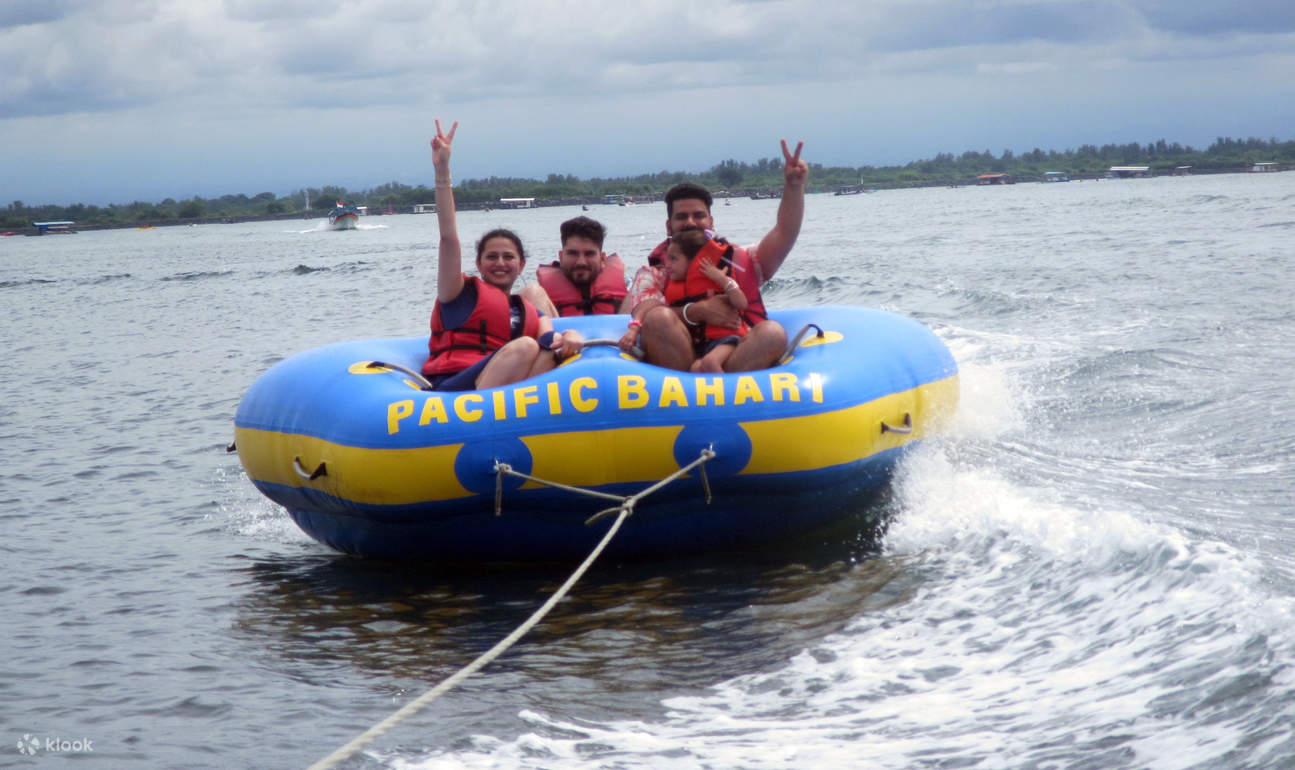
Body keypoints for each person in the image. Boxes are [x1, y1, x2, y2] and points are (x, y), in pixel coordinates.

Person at [420, 120, 582, 390]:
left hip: (504, 388)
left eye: (508, 257)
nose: (500, 263)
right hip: (454, 390)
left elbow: (550, 340)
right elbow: (449, 239)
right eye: (492, 257)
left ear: (521, 265)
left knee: (548, 352)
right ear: (479, 264)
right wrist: (442, 170)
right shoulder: (458, 294)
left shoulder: (530, 313)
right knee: (526, 347)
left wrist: (572, 335)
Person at [621, 139, 809, 372]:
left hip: (733, 356)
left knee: (772, 333)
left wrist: (793, 186)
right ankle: (692, 390)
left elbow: (784, 233)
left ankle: (721, 388)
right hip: (679, 366)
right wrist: (698, 311)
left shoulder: (741, 261)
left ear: (711, 222)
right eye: (682, 217)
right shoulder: (652, 275)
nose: (691, 222)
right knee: (659, 319)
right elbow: (646, 319)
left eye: (698, 215)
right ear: (669, 227)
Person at [660, 229, 749, 373]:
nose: (667, 264)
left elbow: (742, 303)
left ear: (695, 261)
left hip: (729, 339)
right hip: (706, 343)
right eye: (667, 258)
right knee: (695, 368)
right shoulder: (676, 288)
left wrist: (722, 280)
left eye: (673, 259)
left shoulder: (720, 280)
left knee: (710, 362)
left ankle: (727, 394)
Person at [522, 215, 629, 317]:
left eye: (589, 254)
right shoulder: (541, 296)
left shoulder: (629, 287)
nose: (581, 262)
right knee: (532, 292)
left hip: (621, 335)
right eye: (573, 254)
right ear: (561, 257)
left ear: (602, 259)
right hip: (557, 335)